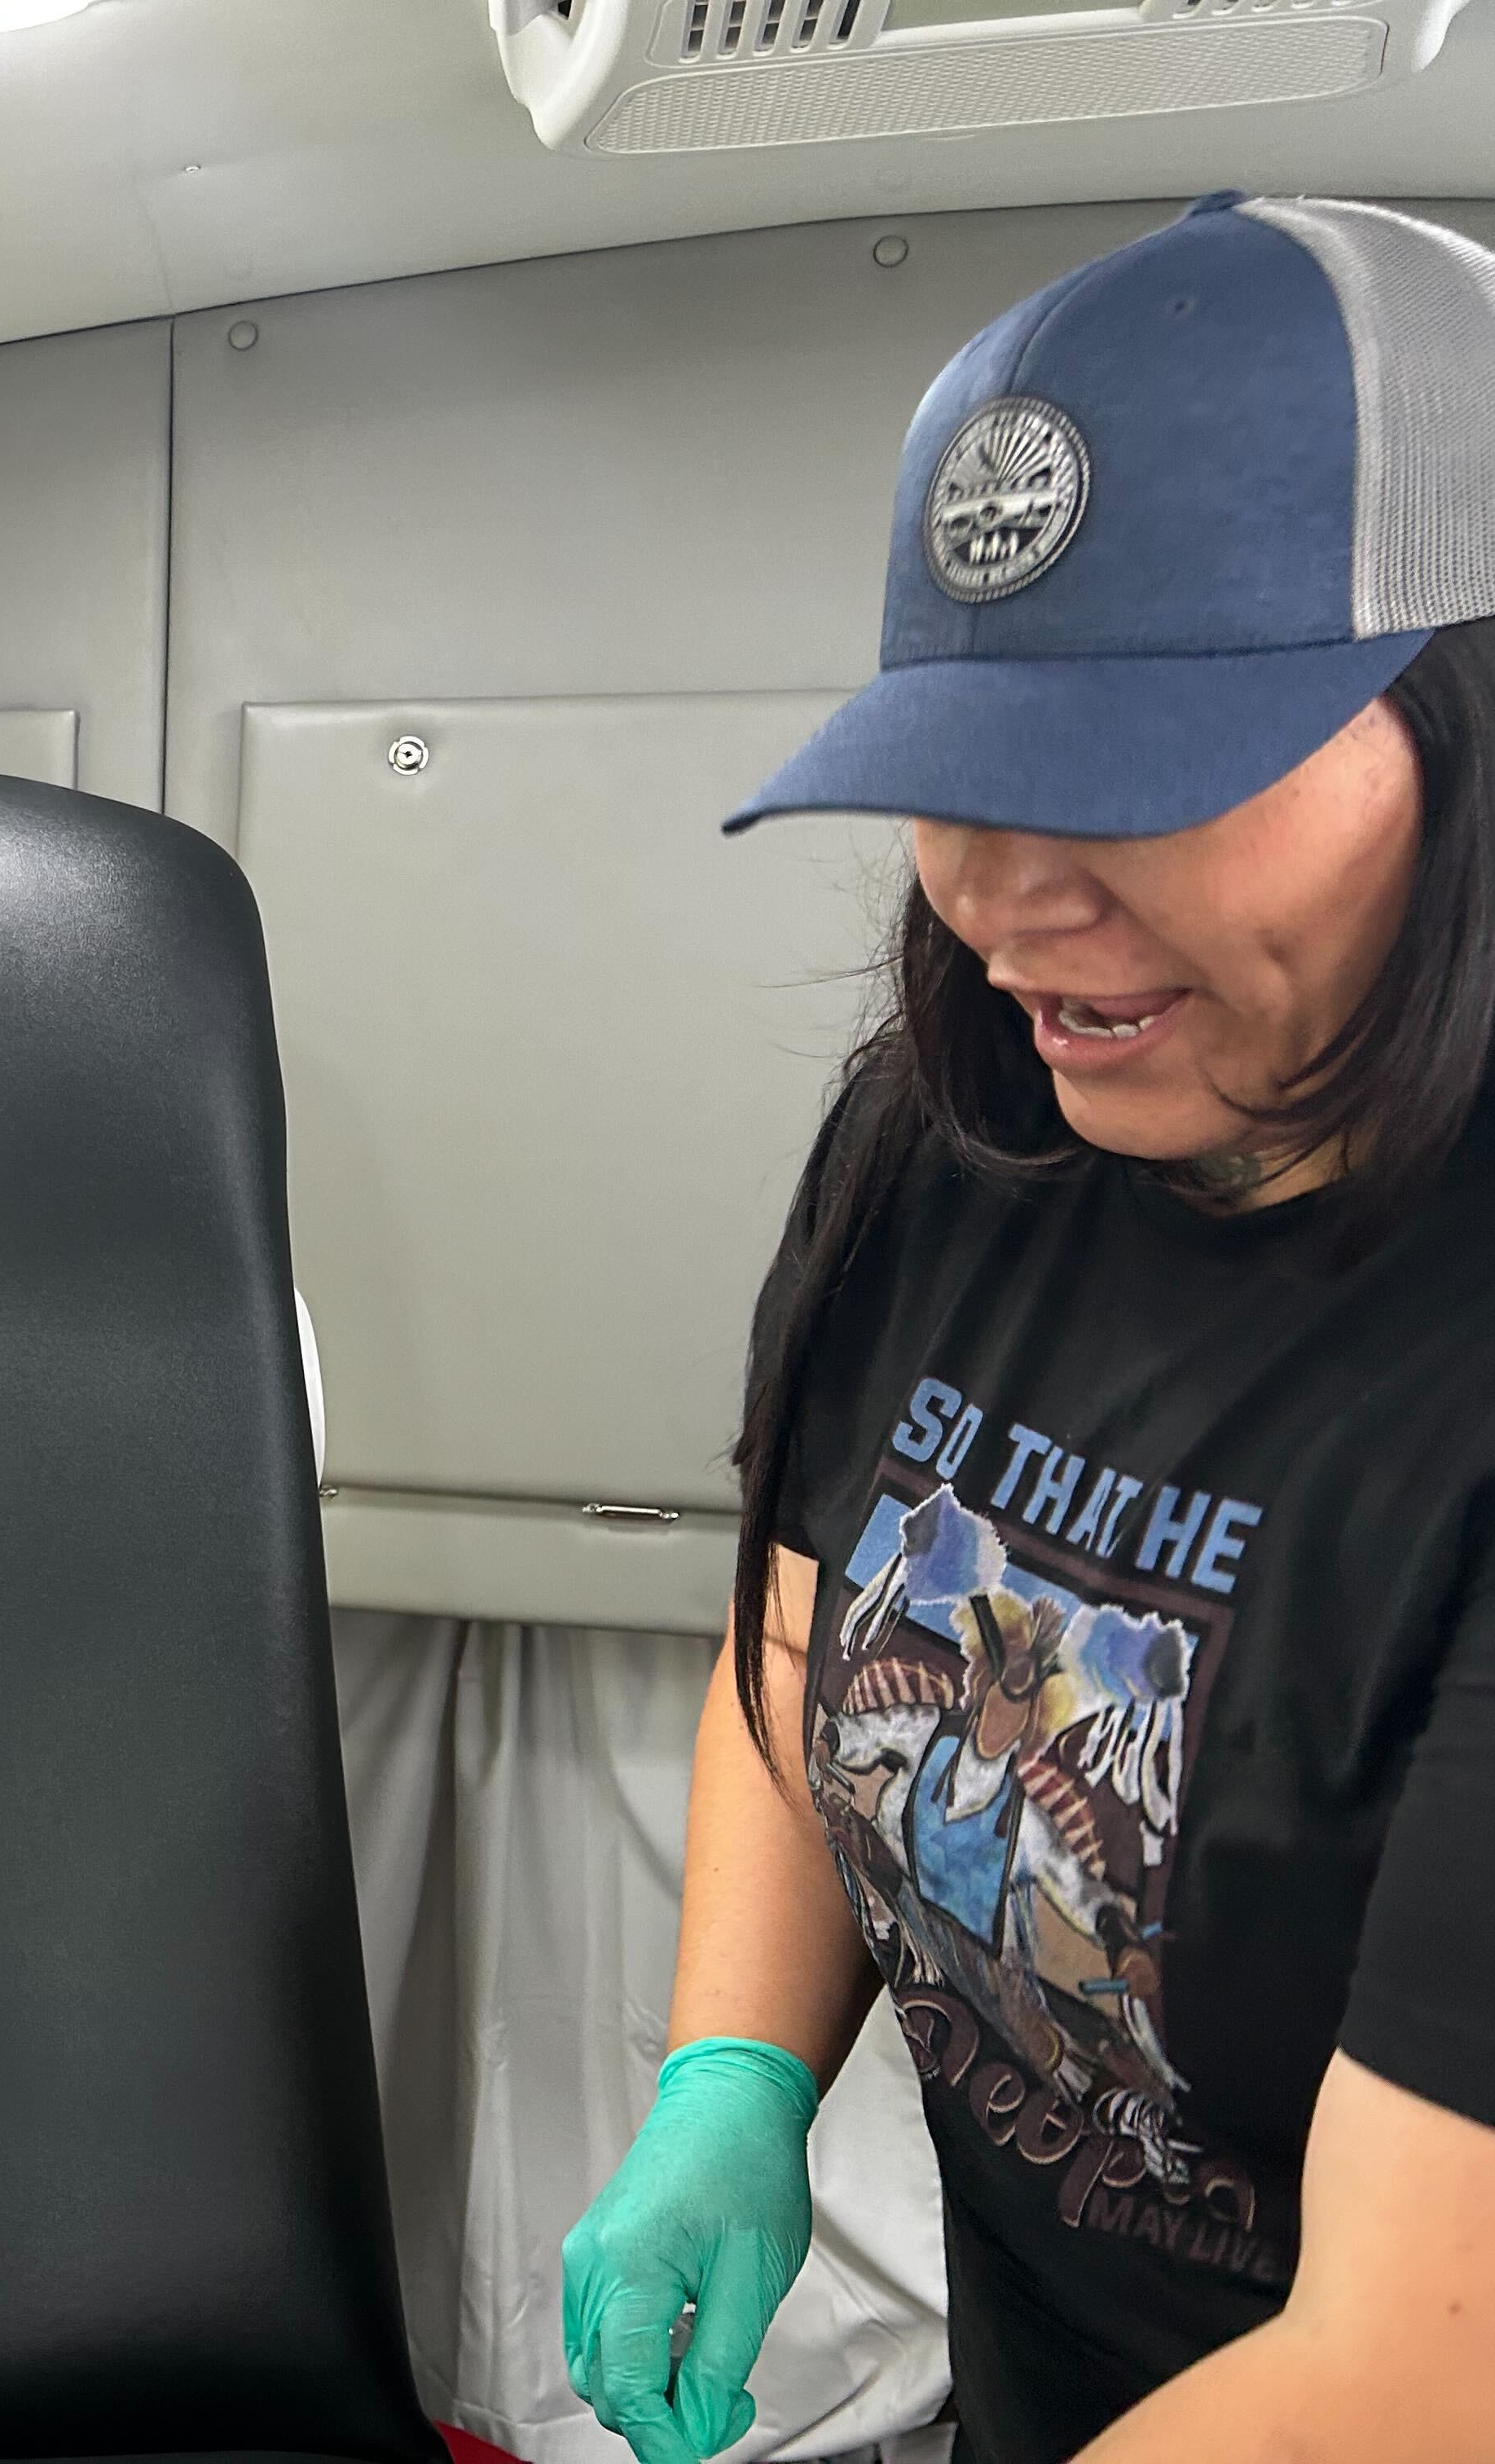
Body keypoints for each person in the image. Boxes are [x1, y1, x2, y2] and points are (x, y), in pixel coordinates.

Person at [558, 194, 1495, 2464]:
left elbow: (1414, 2371)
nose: (996, 898)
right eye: (966, 767)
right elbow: (815, 1622)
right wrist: (730, 2083)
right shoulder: (959, 1133)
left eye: (1143, 765)